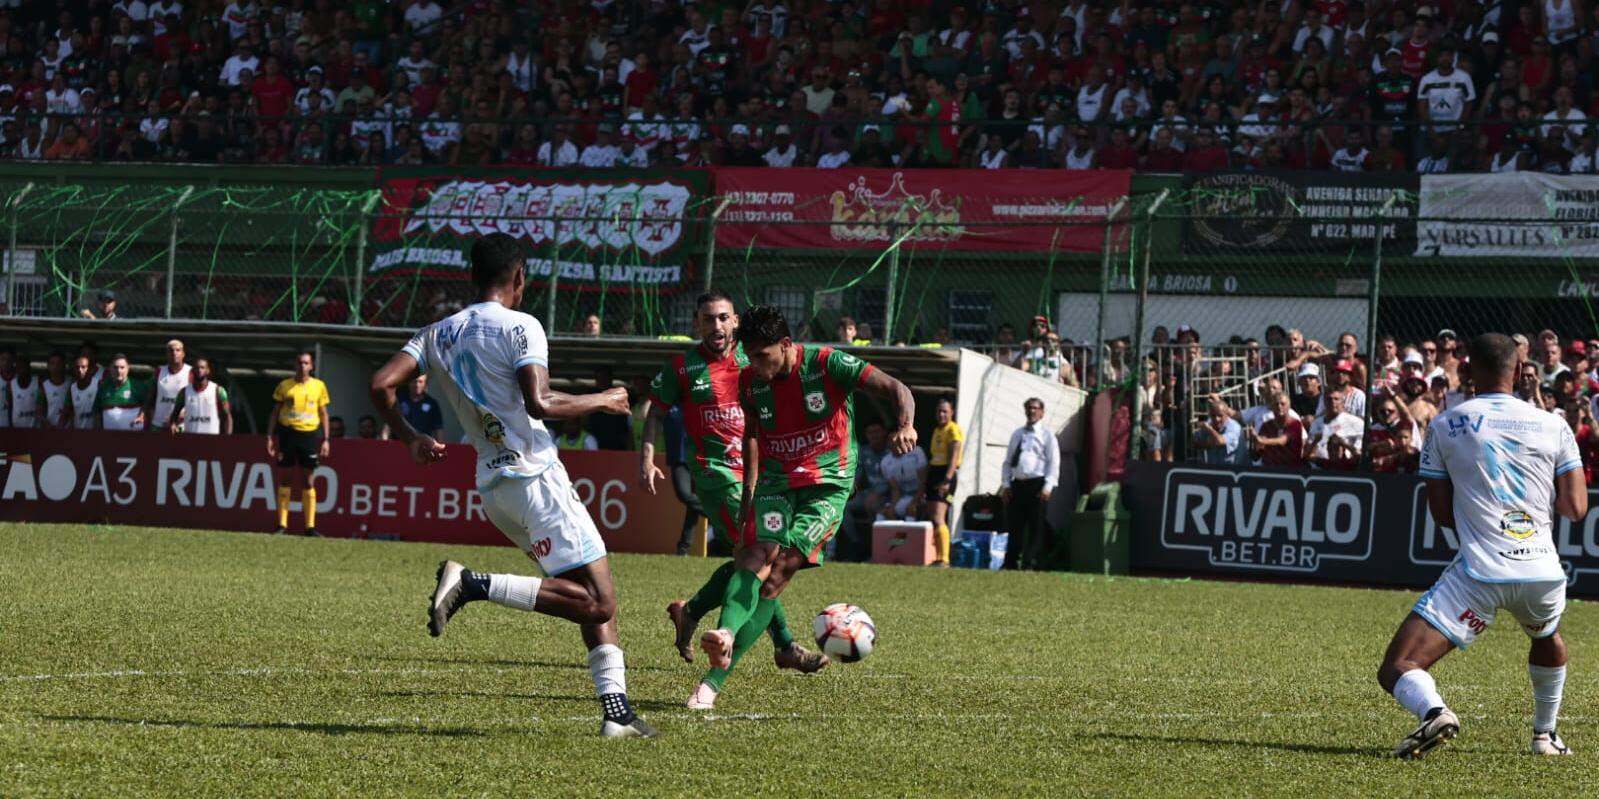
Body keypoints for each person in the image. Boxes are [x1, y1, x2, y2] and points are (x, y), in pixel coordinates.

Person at [372, 232, 655, 738]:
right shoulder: (523, 325)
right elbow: (540, 403)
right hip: (535, 477)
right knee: (600, 601)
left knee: (581, 589)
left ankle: (617, 714)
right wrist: (604, 399)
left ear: (472, 276)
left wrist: (410, 438)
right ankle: (472, 584)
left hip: (494, 486)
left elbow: (380, 385)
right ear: (519, 277)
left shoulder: (437, 332)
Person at [689, 304, 915, 710]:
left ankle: (711, 684)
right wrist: (748, 493)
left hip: (826, 483)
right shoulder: (750, 382)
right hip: (776, 480)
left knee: (777, 574)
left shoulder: (829, 364)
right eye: (750, 356)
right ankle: (723, 634)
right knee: (754, 555)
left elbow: (897, 389)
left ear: (787, 345)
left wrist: (906, 424)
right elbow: (753, 435)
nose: (755, 365)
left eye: (763, 356)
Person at [1380, 333, 1586, 759]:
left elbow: (1440, 513)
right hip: (1542, 573)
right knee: (1546, 635)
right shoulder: (1554, 424)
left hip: (1480, 572)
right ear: (1518, 370)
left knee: (1399, 667)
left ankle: (1435, 711)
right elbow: (1575, 508)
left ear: (1469, 370)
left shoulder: (1446, 423)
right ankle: (1545, 736)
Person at [642, 291, 827, 699]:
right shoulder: (684, 367)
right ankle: (782, 646)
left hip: (760, 473)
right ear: (697, 324)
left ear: (737, 322)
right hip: (717, 476)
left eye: (724, 318)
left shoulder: (752, 361)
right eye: (708, 319)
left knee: (755, 561)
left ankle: (690, 612)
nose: (717, 326)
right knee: (762, 559)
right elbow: (653, 409)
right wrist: (647, 457)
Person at [266, 351, 331, 536]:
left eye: (306, 363)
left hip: (309, 436)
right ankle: (282, 525)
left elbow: (324, 413)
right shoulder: (285, 386)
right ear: (295, 365)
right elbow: (275, 412)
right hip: (287, 434)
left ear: (311, 366)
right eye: (300, 363)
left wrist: (326, 440)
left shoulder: (319, 386)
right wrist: (269, 436)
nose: (302, 366)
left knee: (308, 481)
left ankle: (310, 526)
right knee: (285, 478)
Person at [1001, 397, 1059, 570]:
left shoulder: (1047, 435)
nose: (1032, 411)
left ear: (1042, 412)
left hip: (1037, 484)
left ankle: (1030, 562)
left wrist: (1048, 486)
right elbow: (1008, 462)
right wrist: (1006, 484)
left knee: (1036, 526)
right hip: (1018, 484)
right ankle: (1011, 562)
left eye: (1035, 408)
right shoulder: (1018, 434)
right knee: (1014, 525)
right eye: (1029, 408)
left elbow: (1054, 462)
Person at [841, 420, 891, 562]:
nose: (874, 436)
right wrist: (850, 489)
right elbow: (858, 475)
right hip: (869, 494)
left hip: (889, 496)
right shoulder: (864, 451)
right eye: (870, 433)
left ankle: (876, 552)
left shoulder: (891, 451)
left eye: (877, 432)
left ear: (884, 433)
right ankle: (857, 544)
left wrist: (879, 493)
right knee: (843, 507)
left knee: (875, 507)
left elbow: (894, 481)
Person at [923, 398, 965, 566]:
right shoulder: (936, 430)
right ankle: (937, 555)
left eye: (945, 411)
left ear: (951, 413)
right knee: (933, 515)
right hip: (934, 472)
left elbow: (954, 456)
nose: (941, 414)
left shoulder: (953, 430)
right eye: (939, 411)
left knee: (940, 516)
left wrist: (947, 479)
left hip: (945, 474)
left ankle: (945, 559)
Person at [169, 356, 231, 435]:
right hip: (190, 440)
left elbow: (227, 416)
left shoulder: (218, 390)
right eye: (197, 368)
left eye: (202, 367)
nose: (199, 370)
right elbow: (174, 415)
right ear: (192, 370)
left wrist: (227, 437)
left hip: (211, 439)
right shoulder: (184, 391)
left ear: (208, 370)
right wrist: (174, 427)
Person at [1306, 389, 1364, 470]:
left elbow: (1360, 456)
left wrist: (1343, 443)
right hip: (1320, 469)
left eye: (1336, 399)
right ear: (1324, 402)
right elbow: (1308, 455)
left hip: (1348, 470)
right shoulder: (1316, 423)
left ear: (1343, 402)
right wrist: (1316, 440)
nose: (1332, 402)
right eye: (1329, 399)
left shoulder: (1356, 423)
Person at [877, 438, 928, 521]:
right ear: (888, 444)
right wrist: (892, 507)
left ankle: (911, 533)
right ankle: (892, 533)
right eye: (892, 441)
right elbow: (895, 489)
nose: (896, 443)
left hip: (922, 495)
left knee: (911, 510)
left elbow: (923, 482)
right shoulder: (885, 462)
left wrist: (914, 502)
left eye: (898, 440)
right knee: (884, 513)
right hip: (904, 497)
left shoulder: (917, 452)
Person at [146, 339, 191, 432]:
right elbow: (150, 396)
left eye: (178, 350)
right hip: (158, 424)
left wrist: (185, 413)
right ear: (166, 354)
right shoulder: (159, 371)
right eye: (171, 350)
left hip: (181, 425)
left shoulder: (191, 372)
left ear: (183, 354)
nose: (174, 353)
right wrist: (143, 413)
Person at [94, 354, 146, 431]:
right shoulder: (103, 387)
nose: (118, 371)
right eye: (115, 367)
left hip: (133, 437)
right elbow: (97, 411)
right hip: (109, 438)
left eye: (122, 367)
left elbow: (148, 407)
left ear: (128, 368)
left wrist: (142, 416)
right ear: (110, 369)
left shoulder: (138, 386)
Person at [1253, 392, 1305, 468]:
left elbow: (1282, 441)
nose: (1279, 406)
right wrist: (1257, 446)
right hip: (1270, 470)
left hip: (1291, 471)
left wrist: (1262, 441)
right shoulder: (1266, 425)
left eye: (1282, 404)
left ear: (1289, 406)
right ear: (1272, 407)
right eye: (1276, 404)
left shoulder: (1295, 423)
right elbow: (1259, 451)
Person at [391, 373, 443, 439]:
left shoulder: (432, 404)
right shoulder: (399, 400)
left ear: (425, 384)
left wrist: (439, 447)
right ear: (409, 382)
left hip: (423, 445)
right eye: (414, 381)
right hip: (400, 443)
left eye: (420, 382)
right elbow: (389, 422)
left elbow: (438, 429)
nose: (417, 385)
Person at [6, 354, 43, 428]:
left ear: (29, 368)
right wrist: (10, 425)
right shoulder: (10, 384)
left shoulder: (38, 382)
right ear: (16, 370)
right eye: (19, 368)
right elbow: (9, 407)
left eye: (24, 367)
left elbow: (44, 404)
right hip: (16, 427)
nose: (22, 370)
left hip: (34, 428)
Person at [69, 354, 101, 430]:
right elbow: (70, 413)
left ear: (90, 369)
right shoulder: (72, 388)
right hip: (78, 434)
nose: (80, 370)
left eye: (83, 367)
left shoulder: (99, 385)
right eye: (77, 367)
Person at [41, 352, 72, 428]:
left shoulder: (72, 385)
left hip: (68, 430)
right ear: (48, 366)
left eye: (59, 363)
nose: (56, 366)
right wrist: (47, 425)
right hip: (49, 430)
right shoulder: (44, 386)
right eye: (52, 363)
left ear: (64, 366)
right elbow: (39, 411)